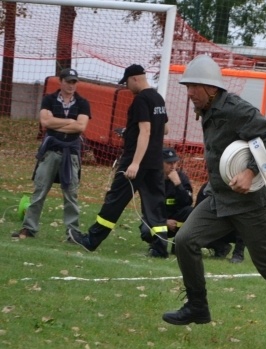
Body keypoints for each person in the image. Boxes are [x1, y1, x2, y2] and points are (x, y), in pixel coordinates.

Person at [161, 54, 266, 349]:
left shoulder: (235, 109)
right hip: (219, 200)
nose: (188, 93)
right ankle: (198, 306)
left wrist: (250, 170)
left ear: (211, 89)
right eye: (187, 86)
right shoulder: (207, 109)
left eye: (193, 87)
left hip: (251, 204)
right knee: (185, 240)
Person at [69, 64, 170, 258]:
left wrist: (135, 163)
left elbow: (146, 130)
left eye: (127, 83)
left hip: (136, 161)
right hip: (155, 162)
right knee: (155, 205)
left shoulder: (141, 99)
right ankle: (160, 248)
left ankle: (91, 240)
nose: (127, 87)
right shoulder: (158, 98)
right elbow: (164, 129)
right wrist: (130, 131)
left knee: (115, 200)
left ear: (135, 79)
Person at [12, 68, 91, 241]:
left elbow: (81, 127)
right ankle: (29, 228)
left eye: (74, 82)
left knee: (71, 194)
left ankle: (72, 232)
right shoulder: (48, 100)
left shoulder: (83, 103)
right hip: (50, 152)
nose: (71, 85)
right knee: (39, 190)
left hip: (71, 154)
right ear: (61, 81)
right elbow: (45, 122)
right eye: (68, 81)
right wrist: (70, 121)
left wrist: (58, 124)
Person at [139, 147, 193, 253]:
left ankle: (178, 245)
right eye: (169, 163)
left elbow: (187, 202)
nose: (173, 166)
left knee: (191, 212)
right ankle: (156, 244)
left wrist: (178, 185)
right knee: (146, 231)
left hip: (176, 218)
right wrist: (164, 222)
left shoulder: (182, 178)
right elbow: (149, 207)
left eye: (174, 162)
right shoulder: (152, 180)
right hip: (158, 218)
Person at [195, 181, 246, 262]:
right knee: (194, 233)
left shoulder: (238, 190)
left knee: (244, 223)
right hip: (214, 227)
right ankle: (221, 247)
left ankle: (238, 254)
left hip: (233, 229)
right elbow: (197, 215)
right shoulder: (205, 189)